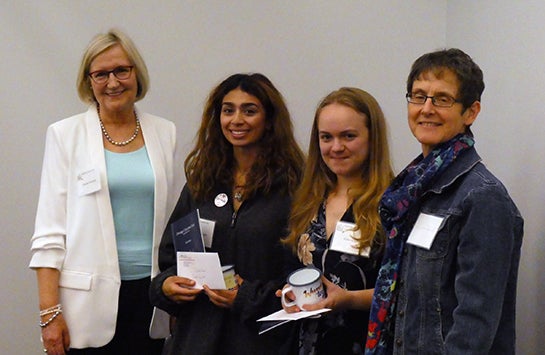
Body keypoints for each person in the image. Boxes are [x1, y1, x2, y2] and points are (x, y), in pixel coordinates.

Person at [29, 29, 182, 354]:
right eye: (101, 74)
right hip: (85, 308)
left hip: (153, 296)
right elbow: (48, 235)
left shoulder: (164, 132)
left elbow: (175, 221)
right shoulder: (64, 135)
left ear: (136, 74)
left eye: (121, 71)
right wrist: (48, 314)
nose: (113, 82)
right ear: (89, 81)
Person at [365, 48, 524, 354]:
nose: (426, 108)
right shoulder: (411, 190)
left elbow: (474, 323)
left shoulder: (482, 197)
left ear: (471, 112)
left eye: (442, 99)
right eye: (418, 95)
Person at [149, 73, 305, 354]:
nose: (236, 120)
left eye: (249, 110)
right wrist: (167, 286)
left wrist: (247, 297)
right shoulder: (202, 182)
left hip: (261, 343)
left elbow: (303, 278)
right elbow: (170, 257)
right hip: (195, 341)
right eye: (228, 110)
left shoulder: (295, 188)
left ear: (269, 120)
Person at [280, 87, 394, 354]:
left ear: (372, 138)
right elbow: (292, 268)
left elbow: (407, 291)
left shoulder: (394, 204)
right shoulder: (308, 199)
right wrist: (289, 294)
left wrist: (349, 300)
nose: (336, 147)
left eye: (348, 136)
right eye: (326, 137)